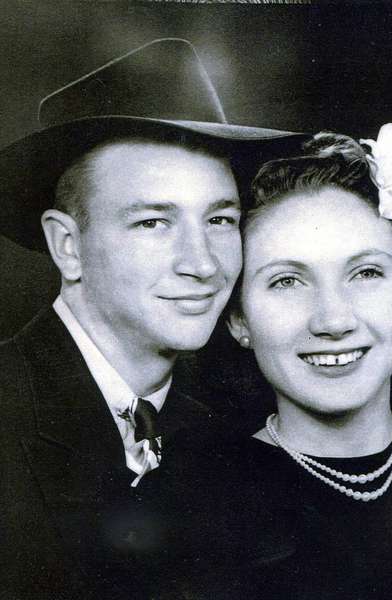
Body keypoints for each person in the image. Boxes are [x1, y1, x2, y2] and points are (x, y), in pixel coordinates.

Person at [0, 38, 307, 600]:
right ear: (68, 246)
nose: (203, 264)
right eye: (153, 223)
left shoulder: (228, 435)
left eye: (219, 220)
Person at [155, 124, 392, 600]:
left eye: (366, 272)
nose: (333, 320)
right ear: (239, 319)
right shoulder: (190, 503)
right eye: (287, 281)